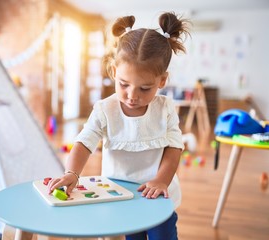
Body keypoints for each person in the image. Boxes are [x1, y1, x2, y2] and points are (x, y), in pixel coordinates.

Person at [48, 12, 190, 240]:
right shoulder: (105, 109)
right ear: (114, 72)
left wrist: (161, 180)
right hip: (121, 197)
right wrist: (72, 172)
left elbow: (174, 148)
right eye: (124, 84)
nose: (132, 96)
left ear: (162, 81)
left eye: (145, 88)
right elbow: (85, 142)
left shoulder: (165, 108)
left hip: (157, 196)